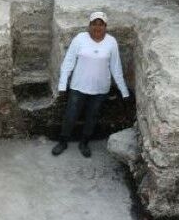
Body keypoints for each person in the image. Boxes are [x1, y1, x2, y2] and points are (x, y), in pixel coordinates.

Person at [52, 11, 130, 158]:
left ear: (105, 27)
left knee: (92, 117)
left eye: (101, 24)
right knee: (70, 115)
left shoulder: (111, 42)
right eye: (94, 23)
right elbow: (68, 62)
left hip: (100, 89)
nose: (97, 27)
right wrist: (63, 85)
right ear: (89, 25)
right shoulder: (80, 39)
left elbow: (116, 67)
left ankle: (84, 143)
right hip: (78, 87)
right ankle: (63, 141)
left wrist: (124, 91)